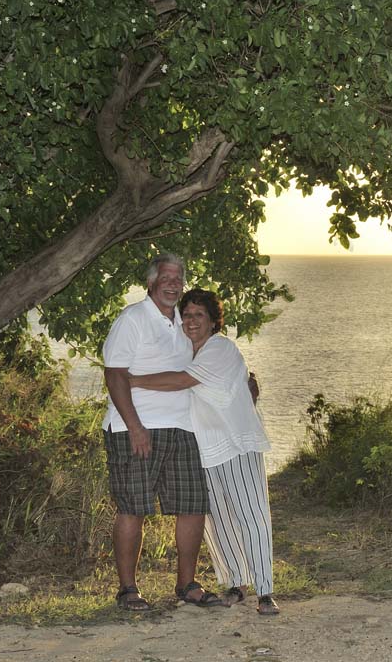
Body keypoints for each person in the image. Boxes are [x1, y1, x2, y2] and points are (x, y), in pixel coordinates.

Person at [129, 288, 280, 616]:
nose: (191, 320)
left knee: (250, 516)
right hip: (206, 448)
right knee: (219, 520)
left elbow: (181, 382)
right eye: (186, 315)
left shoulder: (220, 347)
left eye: (199, 315)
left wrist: (132, 380)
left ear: (213, 321)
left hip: (236, 444)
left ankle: (265, 590)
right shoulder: (185, 352)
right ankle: (237, 583)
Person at [101, 255, 222, 611]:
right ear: (151, 282)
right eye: (166, 277)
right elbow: (114, 375)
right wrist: (135, 426)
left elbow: (206, 362)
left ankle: (187, 584)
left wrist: (245, 380)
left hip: (183, 428)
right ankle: (128, 589)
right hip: (136, 428)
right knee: (133, 507)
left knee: (193, 506)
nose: (173, 284)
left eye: (178, 278)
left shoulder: (183, 325)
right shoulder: (133, 319)